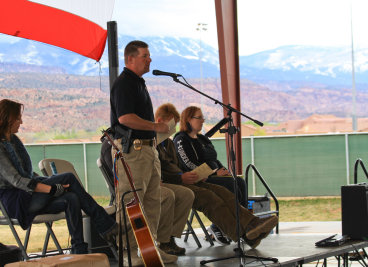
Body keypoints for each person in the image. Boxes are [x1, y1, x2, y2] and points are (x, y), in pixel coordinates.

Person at [0, 99, 118, 254]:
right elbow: (17, 180)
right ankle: (104, 223)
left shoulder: (13, 140)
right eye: (18, 118)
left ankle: (79, 252)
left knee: (72, 198)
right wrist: (51, 189)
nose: (21, 122)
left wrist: (50, 185)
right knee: (68, 178)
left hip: (30, 194)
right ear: (7, 119)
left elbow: (29, 175)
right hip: (17, 201)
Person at [156, 103, 278, 249]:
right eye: (171, 124)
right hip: (176, 183)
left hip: (188, 179)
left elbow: (178, 166)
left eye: (174, 124)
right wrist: (182, 177)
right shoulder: (163, 142)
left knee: (224, 192)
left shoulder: (168, 144)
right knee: (210, 197)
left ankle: (252, 224)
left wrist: (192, 175)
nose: (172, 128)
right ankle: (245, 234)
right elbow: (160, 172)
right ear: (159, 122)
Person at [109, 40, 177, 266]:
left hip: (148, 150)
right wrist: (156, 126)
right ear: (130, 59)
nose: (150, 60)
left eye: (149, 56)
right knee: (131, 202)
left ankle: (150, 249)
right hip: (133, 151)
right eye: (145, 56)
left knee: (152, 202)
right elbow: (125, 118)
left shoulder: (138, 83)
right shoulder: (124, 84)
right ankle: (129, 253)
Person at [173, 105, 248, 244]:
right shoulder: (181, 140)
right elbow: (188, 163)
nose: (202, 120)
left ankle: (244, 225)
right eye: (199, 117)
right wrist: (214, 172)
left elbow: (214, 159)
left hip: (215, 175)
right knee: (231, 185)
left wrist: (224, 171)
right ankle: (219, 226)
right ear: (188, 119)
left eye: (203, 117)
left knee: (240, 182)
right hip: (198, 179)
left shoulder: (203, 139)